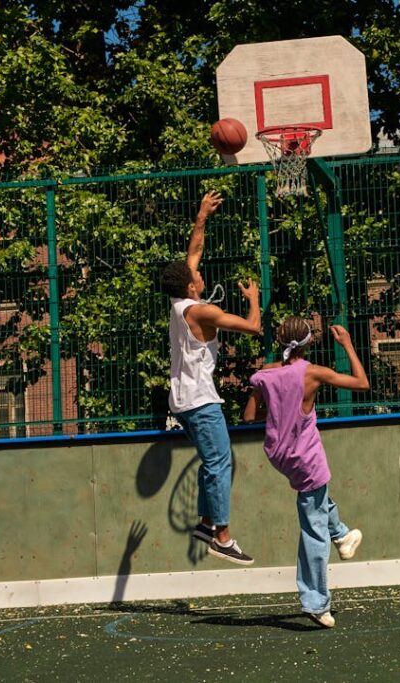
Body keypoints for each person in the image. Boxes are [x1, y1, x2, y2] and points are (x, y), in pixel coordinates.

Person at [243, 316, 369, 628]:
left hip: (279, 455)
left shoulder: (266, 374)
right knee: (314, 530)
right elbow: (361, 383)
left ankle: (341, 535)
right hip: (306, 457)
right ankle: (315, 601)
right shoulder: (313, 373)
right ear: (309, 342)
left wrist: (273, 407)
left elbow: (248, 416)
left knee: (317, 498)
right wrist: (348, 345)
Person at [160, 190, 261, 566]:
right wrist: (253, 296)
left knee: (212, 462)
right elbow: (253, 327)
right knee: (221, 463)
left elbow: (194, 252)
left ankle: (204, 523)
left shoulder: (178, 303)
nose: (199, 273)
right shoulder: (202, 312)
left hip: (182, 400)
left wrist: (202, 216)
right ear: (190, 285)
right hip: (200, 400)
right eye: (196, 275)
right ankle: (221, 535)